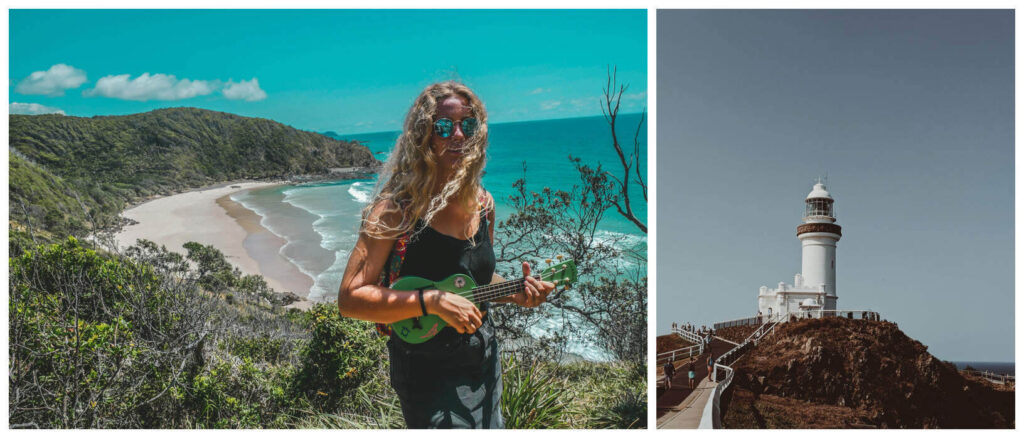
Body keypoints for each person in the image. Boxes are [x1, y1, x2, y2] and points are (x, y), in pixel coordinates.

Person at [337, 81, 556, 429]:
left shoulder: (484, 205)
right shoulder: (396, 211)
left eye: (467, 125)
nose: (457, 135)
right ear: (423, 135)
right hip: (425, 369)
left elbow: (474, 279)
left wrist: (516, 292)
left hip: (483, 357)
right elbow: (350, 299)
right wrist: (433, 302)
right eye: (443, 126)